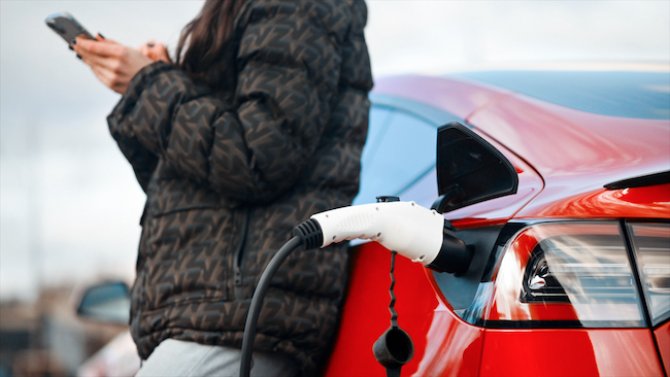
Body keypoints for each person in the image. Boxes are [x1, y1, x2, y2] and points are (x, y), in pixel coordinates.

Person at [74, 0, 373, 375]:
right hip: (216, 320)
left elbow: (256, 157)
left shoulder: (295, 6)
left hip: (233, 321)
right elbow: (186, 186)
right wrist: (161, 81)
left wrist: (150, 85)